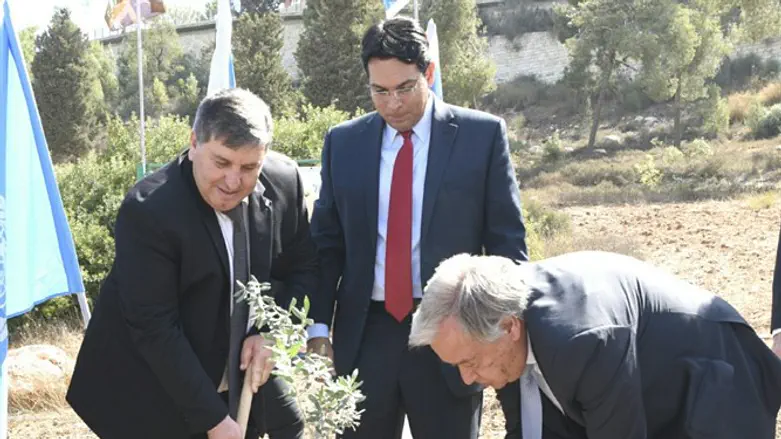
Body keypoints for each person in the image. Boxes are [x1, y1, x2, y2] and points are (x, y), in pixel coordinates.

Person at [307, 16, 527, 439]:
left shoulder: (480, 137)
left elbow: (507, 244)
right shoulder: (343, 142)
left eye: (404, 88)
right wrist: (318, 327)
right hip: (365, 334)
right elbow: (326, 243)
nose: (392, 104)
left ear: (428, 73)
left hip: (451, 331)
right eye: (379, 91)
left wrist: (499, 332)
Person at [66, 88, 318, 439]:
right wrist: (214, 421)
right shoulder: (149, 211)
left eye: (249, 167)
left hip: (241, 367)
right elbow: (155, 329)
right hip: (154, 383)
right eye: (221, 162)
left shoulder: (284, 182)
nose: (233, 182)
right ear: (194, 142)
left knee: (288, 425)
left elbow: (303, 267)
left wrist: (274, 333)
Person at [409, 251, 781, 439]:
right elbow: (534, 430)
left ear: (509, 328)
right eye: (457, 364)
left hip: (716, 389)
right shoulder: (499, 334)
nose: (467, 379)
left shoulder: (582, 339)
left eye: (470, 363)